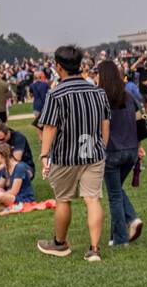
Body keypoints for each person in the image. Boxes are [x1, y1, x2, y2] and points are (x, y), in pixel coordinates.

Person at [36, 45, 110, 261]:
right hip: (93, 153)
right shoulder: (98, 91)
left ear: (58, 67)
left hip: (65, 156)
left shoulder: (56, 93)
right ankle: (94, 249)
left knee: (63, 200)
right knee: (93, 199)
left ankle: (60, 243)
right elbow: (105, 123)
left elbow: (49, 127)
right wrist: (102, 147)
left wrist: (44, 155)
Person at [96, 59, 144, 246]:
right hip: (131, 150)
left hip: (112, 151)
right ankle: (118, 231)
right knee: (117, 190)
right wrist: (138, 146)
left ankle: (121, 236)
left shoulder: (101, 97)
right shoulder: (128, 96)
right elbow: (140, 123)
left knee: (114, 195)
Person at [29, 70, 51, 139]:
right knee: (46, 123)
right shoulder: (45, 84)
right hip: (45, 105)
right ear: (41, 76)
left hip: (36, 105)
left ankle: (40, 138)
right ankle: (46, 137)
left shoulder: (32, 85)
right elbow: (49, 93)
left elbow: (30, 95)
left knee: (38, 123)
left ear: (34, 77)